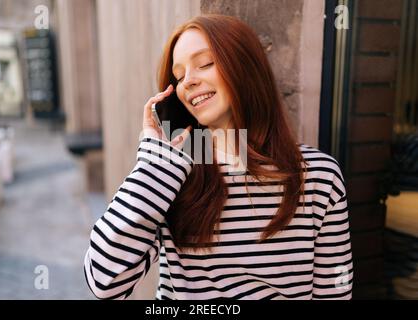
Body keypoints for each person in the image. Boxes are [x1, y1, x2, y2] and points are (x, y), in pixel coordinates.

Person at [84, 14, 353, 300]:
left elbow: (334, 293)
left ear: (246, 68)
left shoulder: (319, 176)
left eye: (206, 64)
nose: (187, 81)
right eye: (178, 76)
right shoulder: (171, 173)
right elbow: (104, 281)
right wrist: (155, 161)